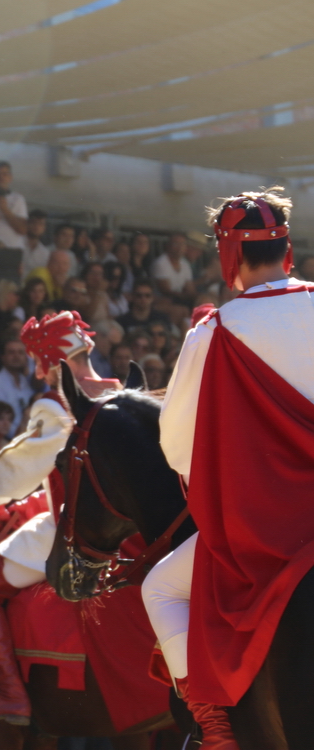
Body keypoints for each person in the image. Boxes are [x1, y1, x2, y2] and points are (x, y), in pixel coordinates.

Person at [140, 189, 314, 749]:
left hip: (263, 532)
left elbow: (176, 448)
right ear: (286, 249)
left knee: (159, 589)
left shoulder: (212, 331)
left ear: (230, 255)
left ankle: (215, 730)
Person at [0, 311, 120, 725]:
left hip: (70, 529)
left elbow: (21, 466)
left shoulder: (56, 402)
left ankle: (12, 695)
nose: (36, 371)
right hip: (125, 533)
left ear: (52, 358)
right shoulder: (121, 391)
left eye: (39, 359)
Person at [0, 338, 35, 436]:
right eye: (11, 352)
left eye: (20, 353)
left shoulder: (27, 382)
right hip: (6, 440)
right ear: (3, 357)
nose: (16, 356)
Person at [21, 209, 51, 275]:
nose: (36, 226)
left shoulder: (45, 253)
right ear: (27, 223)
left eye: (41, 224)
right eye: (34, 222)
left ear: (44, 228)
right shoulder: (16, 244)